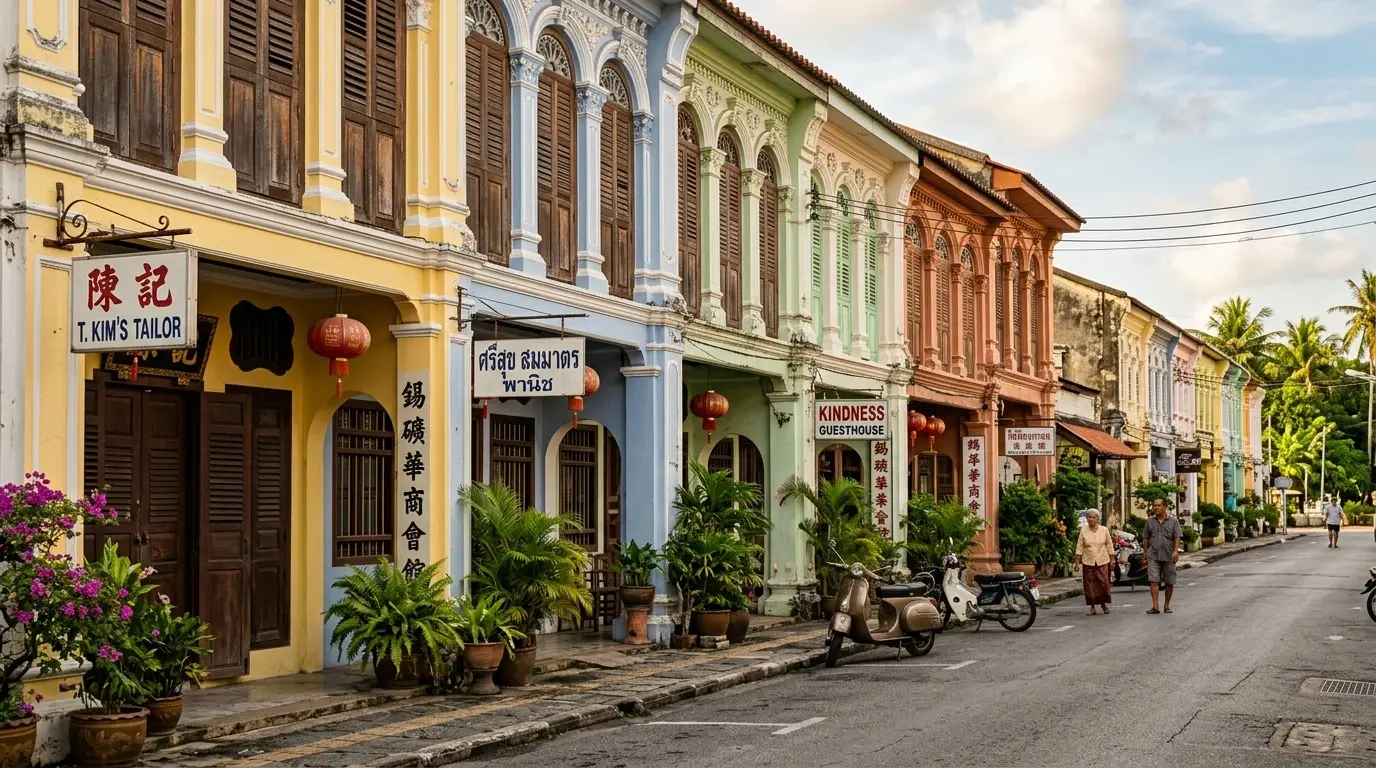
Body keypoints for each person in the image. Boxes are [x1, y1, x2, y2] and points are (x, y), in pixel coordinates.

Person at [1144, 497, 1182, 615]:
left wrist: (1176, 551)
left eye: (1158, 505)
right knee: (1153, 580)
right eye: (1154, 505)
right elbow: (1145, 537)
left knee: (1169, 581)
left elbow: (1177, 537)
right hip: (1153, 555)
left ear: (1165, 507)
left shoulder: (1173, 521)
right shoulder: (1150, 521)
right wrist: (1145, 552)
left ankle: (1166, 605)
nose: (1156, 507)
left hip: (1169, 555)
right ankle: (1155, 606)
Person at [1074, 509, 1114, 615]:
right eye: (1089, 517)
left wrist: (1112, 559)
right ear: (1087, 518)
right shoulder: (1083, 531)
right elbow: (1079, 546)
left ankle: (1103, 605)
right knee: (1089, 584)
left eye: (1093, 517)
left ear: (1097, 518)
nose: (1091, 519)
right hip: (1088, 561)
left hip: (1103, 560)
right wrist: (1077, 562)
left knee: (1103, 583)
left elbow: (1109, 544)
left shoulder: (1104, 530)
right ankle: (1092, 607)